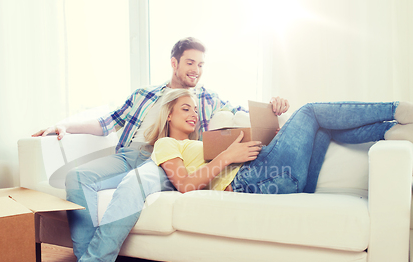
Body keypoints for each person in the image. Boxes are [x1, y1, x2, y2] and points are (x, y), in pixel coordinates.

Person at [33, 37, 290, 262]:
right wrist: (65, 125)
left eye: (201, 65)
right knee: (77, 177)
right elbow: (106, 122)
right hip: (129, 153)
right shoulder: (146, 94)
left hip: (166, 157)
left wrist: (273, 106)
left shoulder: (206, 98)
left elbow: (243, 115)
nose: (196, 70)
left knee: (134, 183)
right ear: (174, 63)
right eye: (190, 63)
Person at [150, 89, 413, 196]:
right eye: (186, 109)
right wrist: (229, 156)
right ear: (169, 115)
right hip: (250, 182)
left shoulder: (207, 140)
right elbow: (184, 185)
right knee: (310, 111)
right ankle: (396, 109)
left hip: (281, 178)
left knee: (323, 129)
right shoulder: (166, 144)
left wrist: (274, 137)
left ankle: (390, 131)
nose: (194, 114)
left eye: (195, 109)